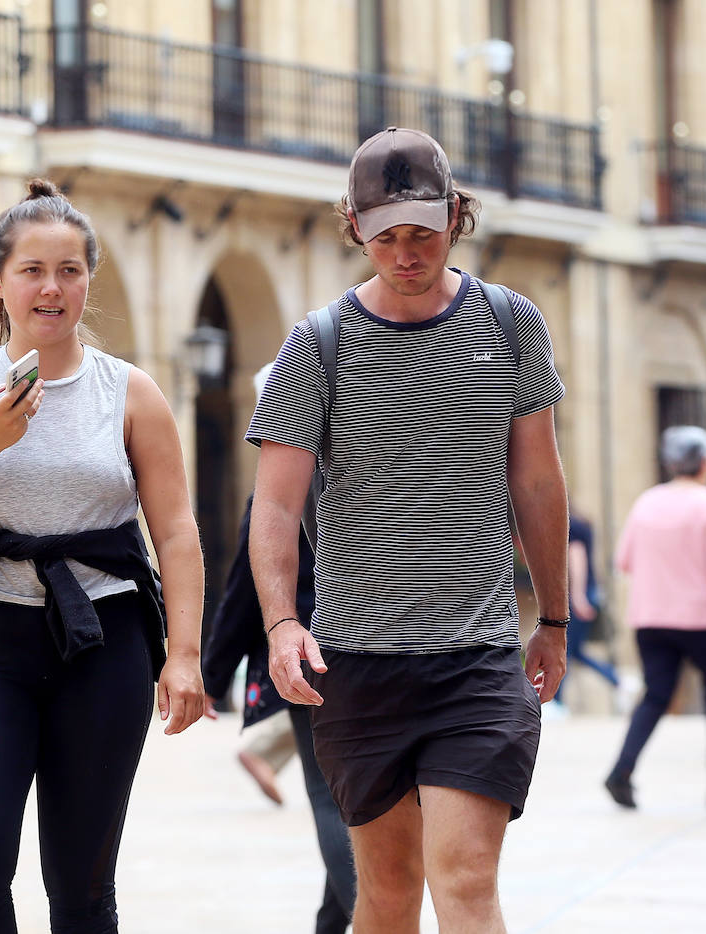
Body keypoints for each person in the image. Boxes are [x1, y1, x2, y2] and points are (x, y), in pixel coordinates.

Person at [248, 126, 569, 934]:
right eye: (385, 235)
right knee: (387, 900)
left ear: (457, 217)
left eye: (423, 233)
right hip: (359, 665)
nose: (405, 252)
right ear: (353, 225)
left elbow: (535, 480)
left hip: (477, 661)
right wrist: (283, 624)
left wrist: (555, 618)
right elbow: (276, 506)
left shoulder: (509, 325)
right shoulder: (316, 346)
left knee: (464, 880)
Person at [0, 179, 205, 933]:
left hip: (104, 643)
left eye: (70, 270)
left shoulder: (130, 394)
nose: (52, 288)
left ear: (88, 279)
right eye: (32, 269)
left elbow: (178, 534)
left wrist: (185, 654)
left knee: (82, 885)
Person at [203, 364, 356, 934]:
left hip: (310, 654)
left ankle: (369, 920)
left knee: (330, 799)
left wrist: (213, 674)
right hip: (390, 647)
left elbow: (245, 589)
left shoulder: (279, 492)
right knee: (364, 804)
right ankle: (334, 923)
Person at [604, 427, 706, 809]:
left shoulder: (646, 502)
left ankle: (621, 770)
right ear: (705, 462)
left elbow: (624, 561)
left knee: (655, 696)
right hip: (702, 620)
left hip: (651, 617)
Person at [551, 509, 620, 711]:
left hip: (578, 594)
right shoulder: (581, 521)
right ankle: (616, 680)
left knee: (566, 649)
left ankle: (557, 702)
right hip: (587, 592)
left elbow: (577, 557)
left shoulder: (571, 523)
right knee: (576, 651)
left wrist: (578, 597)